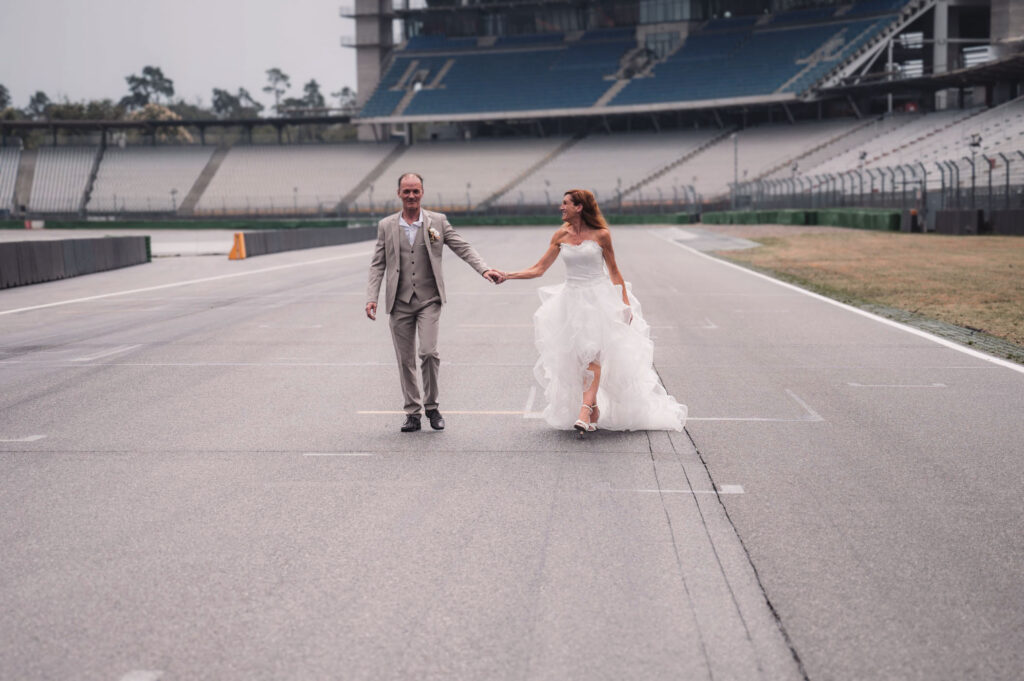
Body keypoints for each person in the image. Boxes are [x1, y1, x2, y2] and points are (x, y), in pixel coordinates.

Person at [499, 189, 686, 434]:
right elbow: (538, 269)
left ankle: (585, 409)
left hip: (599, 301)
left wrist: (624, 304)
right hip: (570, 302)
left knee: (592, 355)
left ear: (579, 207)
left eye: (565, 203)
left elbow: (614, 272)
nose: (560, 208)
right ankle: (594, 406)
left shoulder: (601, 235)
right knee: (576, 359)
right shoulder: (560, 235)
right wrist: (506, 275)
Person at [366, 172, 505, 432]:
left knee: (428, 353)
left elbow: (462, 247)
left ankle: (432, 406)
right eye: (406, 191)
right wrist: (371, 298)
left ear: (422, 193)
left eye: (415, 191)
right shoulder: (386, 225)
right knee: (404, 359)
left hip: (429, 299)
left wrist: (484, 270)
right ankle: (413, 412)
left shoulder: (437, 222)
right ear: (398, 193)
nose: (411, 196)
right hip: (399, 301)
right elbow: (378, 264)